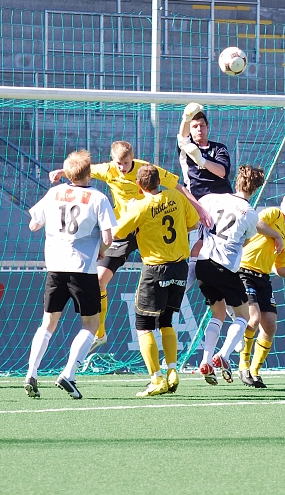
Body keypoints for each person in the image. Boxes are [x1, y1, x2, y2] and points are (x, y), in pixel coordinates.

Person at [48, 141, 209, 355]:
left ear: (132, 157)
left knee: (163, 289)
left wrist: (200, 208)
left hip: (149, 227)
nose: (122, 168)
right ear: (113, 160)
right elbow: (83, 170)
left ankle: (167, 357)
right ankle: (100, 333)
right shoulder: (108, 170)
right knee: (98, 280)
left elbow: (178, 186)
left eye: (126, 163)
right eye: (119, 163)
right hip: (124, 229)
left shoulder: (144, 169)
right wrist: (61, 171)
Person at [24, 149, 116, 399]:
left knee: (48, 322)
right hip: (82, 270)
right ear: (90, 173)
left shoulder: (54, 193)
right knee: (91, 324)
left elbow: (33, 225)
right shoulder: (98, 198)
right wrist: (101, 250)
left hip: (55, 267)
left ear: (68, 172)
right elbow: (109, 236)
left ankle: (31, 372)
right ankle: (69, 374)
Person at [113, 165, 200, 397]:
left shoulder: (140, 206)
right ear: (160, 180)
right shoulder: (177, 197)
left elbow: (118, 233)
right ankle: (172, 370)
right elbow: (193, 223)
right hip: (180, 268)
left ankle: (156, 379)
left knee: (143, 327)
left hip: (156, 270)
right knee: (166, 322)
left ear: (139, 187)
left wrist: (130, 210)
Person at [195, 165, 271, 385]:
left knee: (217, 314)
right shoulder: (250, 214)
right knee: (244, 317)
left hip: (203, 262)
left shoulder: (211, 198)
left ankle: (206, 359)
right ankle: (224, 355)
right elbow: (245, 241)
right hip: (225, 267)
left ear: (236, 180)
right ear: (256, 188)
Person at [226, 192, 285, 388]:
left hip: (263, 278)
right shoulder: (273, 214)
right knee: (253, 319)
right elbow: (256, 223)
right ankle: (243, 366)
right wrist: (276, 234)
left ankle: (255, 370)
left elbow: (279, 267)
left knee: (270, 325)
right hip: (244, 271)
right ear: (281, 203)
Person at [177, 103, 234, 292]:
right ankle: (179, 291)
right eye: (194, 126)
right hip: (199, 204)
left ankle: (231, 299)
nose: (199, 129)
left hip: (224, 205)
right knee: (199, 248)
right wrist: (186, 117)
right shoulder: (186, 148)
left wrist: (201, 160)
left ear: (208, 127)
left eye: (202, 125)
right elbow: (181, 138)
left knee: (212, 250)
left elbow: (222, 172)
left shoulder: (219, 148)